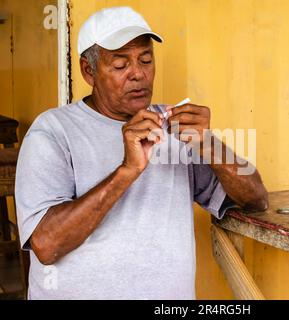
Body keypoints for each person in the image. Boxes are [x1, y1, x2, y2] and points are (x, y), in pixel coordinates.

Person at [15, 6, 268, 300]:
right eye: (121, 65)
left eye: (146, 60)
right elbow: (46, 245)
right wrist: (127, 171)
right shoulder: (54, 131)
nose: (138, 74)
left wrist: (207, 143)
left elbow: (256, 199)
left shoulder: (175, 126)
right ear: (88, 71)